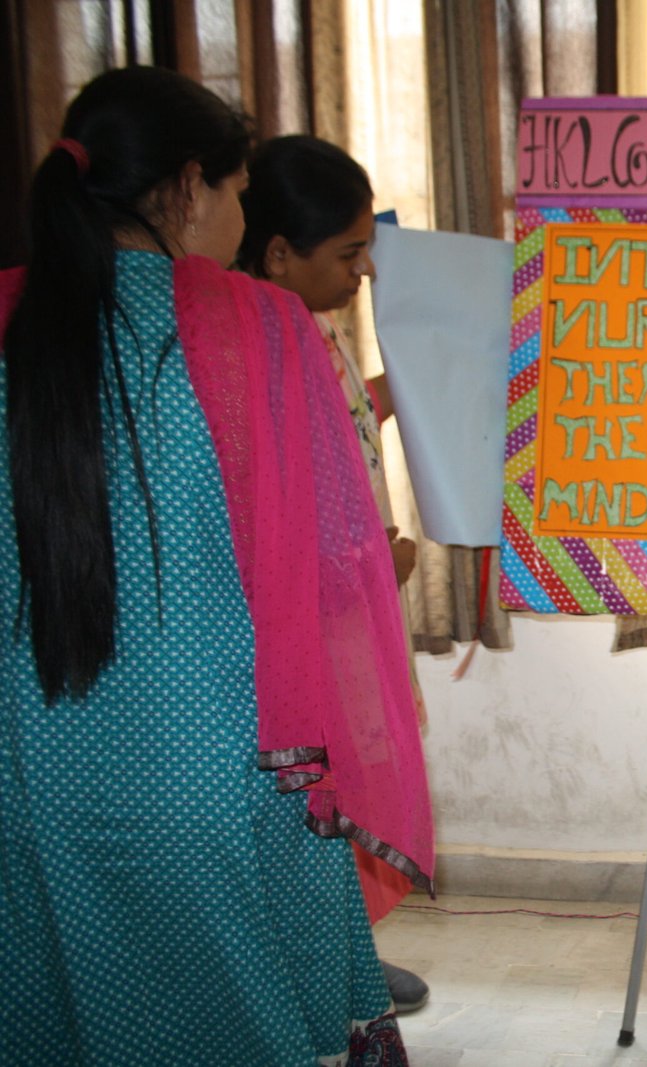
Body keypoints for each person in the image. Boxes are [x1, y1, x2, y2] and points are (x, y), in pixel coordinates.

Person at [0, 67, 430, 1063]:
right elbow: (330, 557)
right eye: (239, 189)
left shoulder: (15, 321)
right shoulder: (257, 326)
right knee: (237, 1017)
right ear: (189, 186)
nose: (243, 216)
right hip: (217, 756)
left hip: (29, 764)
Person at [238, 133, 431, 1014]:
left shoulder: (316, 330)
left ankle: (347, 946)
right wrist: (370, 568)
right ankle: (328, 955)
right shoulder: (262, 348)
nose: (365, 271)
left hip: (352, 600)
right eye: (350, 253)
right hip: (317, 615)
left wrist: (412, 383)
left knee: (353, 778)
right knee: (327, 788)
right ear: (280, 253)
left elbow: (353, 416)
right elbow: (288, 505)